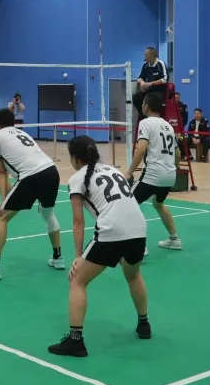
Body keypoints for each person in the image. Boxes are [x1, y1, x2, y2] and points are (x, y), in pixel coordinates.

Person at [48, 136, 150, 358]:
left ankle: (75, 341)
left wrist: (78, 256)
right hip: (139, 229)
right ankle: (144, 325)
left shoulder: (77, 179)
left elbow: (78, 221)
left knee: (77, 280)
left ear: (75, 158)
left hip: (111, 230)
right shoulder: (113, 170)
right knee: (133, 275)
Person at [0, 108, 63, 281]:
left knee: (1, 217)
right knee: (48, 214)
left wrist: (3, 200)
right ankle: (58, 258)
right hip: (52, 171)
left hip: (31, 176)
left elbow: (0, 171)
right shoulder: (23, 133)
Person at [125, 92, 182, 251]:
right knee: (158, 203)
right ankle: (174, 239)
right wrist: (172, 170)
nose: (142, 106)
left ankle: (140, 247)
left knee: (128, 204)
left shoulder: (145, 123)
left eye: (143, 103)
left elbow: (141, 149)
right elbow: (178, 154)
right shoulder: (168, 126)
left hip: (153, 174)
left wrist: (129, 171)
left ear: (147, 106)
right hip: (169, 175)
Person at [133, 47, 167, 118]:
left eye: (146, 55)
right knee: (136, 98)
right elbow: (139, 77)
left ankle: (153, 118)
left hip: (159, 92)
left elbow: (165, 79)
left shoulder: (160, 63)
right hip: (149, 91)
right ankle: (143, 117)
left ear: (152, 55)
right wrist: (142, 82)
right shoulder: (145, 65)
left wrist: (150, 83)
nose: (144, 56)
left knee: (150, 99)